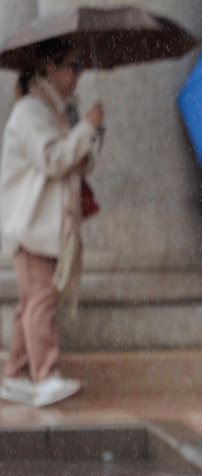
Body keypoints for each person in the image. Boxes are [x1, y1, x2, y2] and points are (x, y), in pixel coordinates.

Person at [0, 39, 102, 407]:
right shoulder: (30, 110)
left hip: (46, 226)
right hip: (32, 225)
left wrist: (87, 135)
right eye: (73, 66)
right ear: (49, 67)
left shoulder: (56, 110)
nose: (78, 74)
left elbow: (76, 162)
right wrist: (85, 128)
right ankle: (44, 375)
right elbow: (53, 160)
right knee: (41, 301)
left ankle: (15, 374)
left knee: (32, 302)